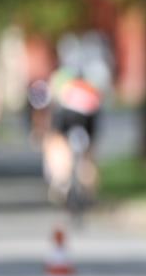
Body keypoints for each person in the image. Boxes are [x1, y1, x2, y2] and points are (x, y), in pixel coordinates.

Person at [42, 64, 104, 204]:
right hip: (89, 118)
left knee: (55, 144)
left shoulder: (63, 85)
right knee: (89, 154)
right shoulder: (90, 88)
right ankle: (89, 186)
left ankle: (60, 179)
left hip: (66, 116)